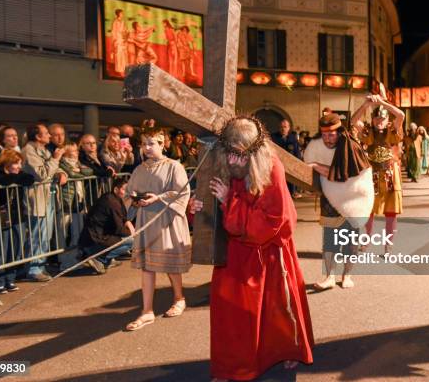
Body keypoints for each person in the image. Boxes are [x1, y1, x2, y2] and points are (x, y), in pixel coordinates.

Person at [192, 116, 313, 381]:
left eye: (239, 155)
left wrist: (229, 201)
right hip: (234, 252)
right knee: (229, 312)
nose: (233, 162)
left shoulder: (272, 169)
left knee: (277, 310)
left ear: (254, 152)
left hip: (268, 251)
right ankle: (231, 366)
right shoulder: (225, 162)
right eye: (230, 154)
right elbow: (212, 206)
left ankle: (286, 350)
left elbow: (273, 221)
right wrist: (199, 208)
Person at [124, 127, 191, 330]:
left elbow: (182, 191)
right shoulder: (139, 169)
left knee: (170, 264)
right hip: (146, 220)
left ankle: (179, 298)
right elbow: (128, 192)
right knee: (147, 265)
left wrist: (159, 198)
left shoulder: (174, 166)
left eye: (152, 143)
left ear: (163, 144)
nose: (147, 148)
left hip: (167, 219)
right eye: (144, 144)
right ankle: (147, 311)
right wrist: (134, 199)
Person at [304, 112, 373, 290]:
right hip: (331, 200)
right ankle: (329, 277)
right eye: (324, 135)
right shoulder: (318, 146)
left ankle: (347, 276)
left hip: (352, 199)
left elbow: (341, 174)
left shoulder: (351, 146)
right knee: (330, 240)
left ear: (339, 131)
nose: (327, 139)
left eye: (331, 135)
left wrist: (315, 166)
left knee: (351, 242)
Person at [0, 150, 35, 294]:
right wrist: (15, 177)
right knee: (1, 251)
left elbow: (29, 179)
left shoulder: (15, 174)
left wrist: (15, 177)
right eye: (16, 163)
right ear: (7, 162)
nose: (19, 166)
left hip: (17, 216)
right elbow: (3, 181)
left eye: (20, 163)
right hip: (0, 217)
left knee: (15, 250)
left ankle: (10, 280)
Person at [357, 95, 406, 255]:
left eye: (382, 119)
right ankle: (367, 239)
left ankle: (388, 245)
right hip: (372, 176)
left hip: (391, 175)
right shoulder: (368, 133)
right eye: (377, 118)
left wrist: (382, 103)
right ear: (372, 120)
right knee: (368, 210)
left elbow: (401, 115)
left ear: (387, 120)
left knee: (391, 212)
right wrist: (366, 104)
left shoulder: (393, 131)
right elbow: (353, 122)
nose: (379, 121)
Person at [21, 124, 67, 282]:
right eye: (46, 133)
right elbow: (42, 174)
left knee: (45, 234)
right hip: (37, 197)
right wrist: (55, 159)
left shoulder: (45, 150)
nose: (50, 135)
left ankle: (40, 265)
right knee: (38, 235)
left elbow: (55, 169)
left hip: (48, 195)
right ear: (38, 136)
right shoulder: (29, 150)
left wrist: (61, 172)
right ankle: (34, 268)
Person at [79, 177, 134, 274]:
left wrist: (129, 224)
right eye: (124, 190)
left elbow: (123, 218)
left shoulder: (113, 198)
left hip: (95, 236)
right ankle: (100, 259)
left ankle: (105, 260)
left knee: (129, 237)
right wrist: (133, 233)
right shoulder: (112, 202)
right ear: (116, 189)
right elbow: (119, 229)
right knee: (132, 241)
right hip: (95, 239)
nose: (127, 193)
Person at [271, 119, 302, 198]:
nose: (283, 129)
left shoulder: (293, 138)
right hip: (277, 165)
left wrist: (298, 163)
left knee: (290, 184)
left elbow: (297, 152)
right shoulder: (273, 137)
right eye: (281, 127)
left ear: (289, 128)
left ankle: (291, 194)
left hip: (290, 165)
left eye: (285, 127)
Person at [111, 9, 128, 76]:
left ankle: (124, 68)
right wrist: (115, 40)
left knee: (124, 54)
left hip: (123, 39)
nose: (122, 14)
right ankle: (119, 69)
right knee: (119, 54)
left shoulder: (123, 22)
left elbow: (125, 30)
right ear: (118, 14)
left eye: (122, 13)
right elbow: (113, 32)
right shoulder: (115, 22)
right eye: (121, 13)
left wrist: (126, 34)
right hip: (118, 39)